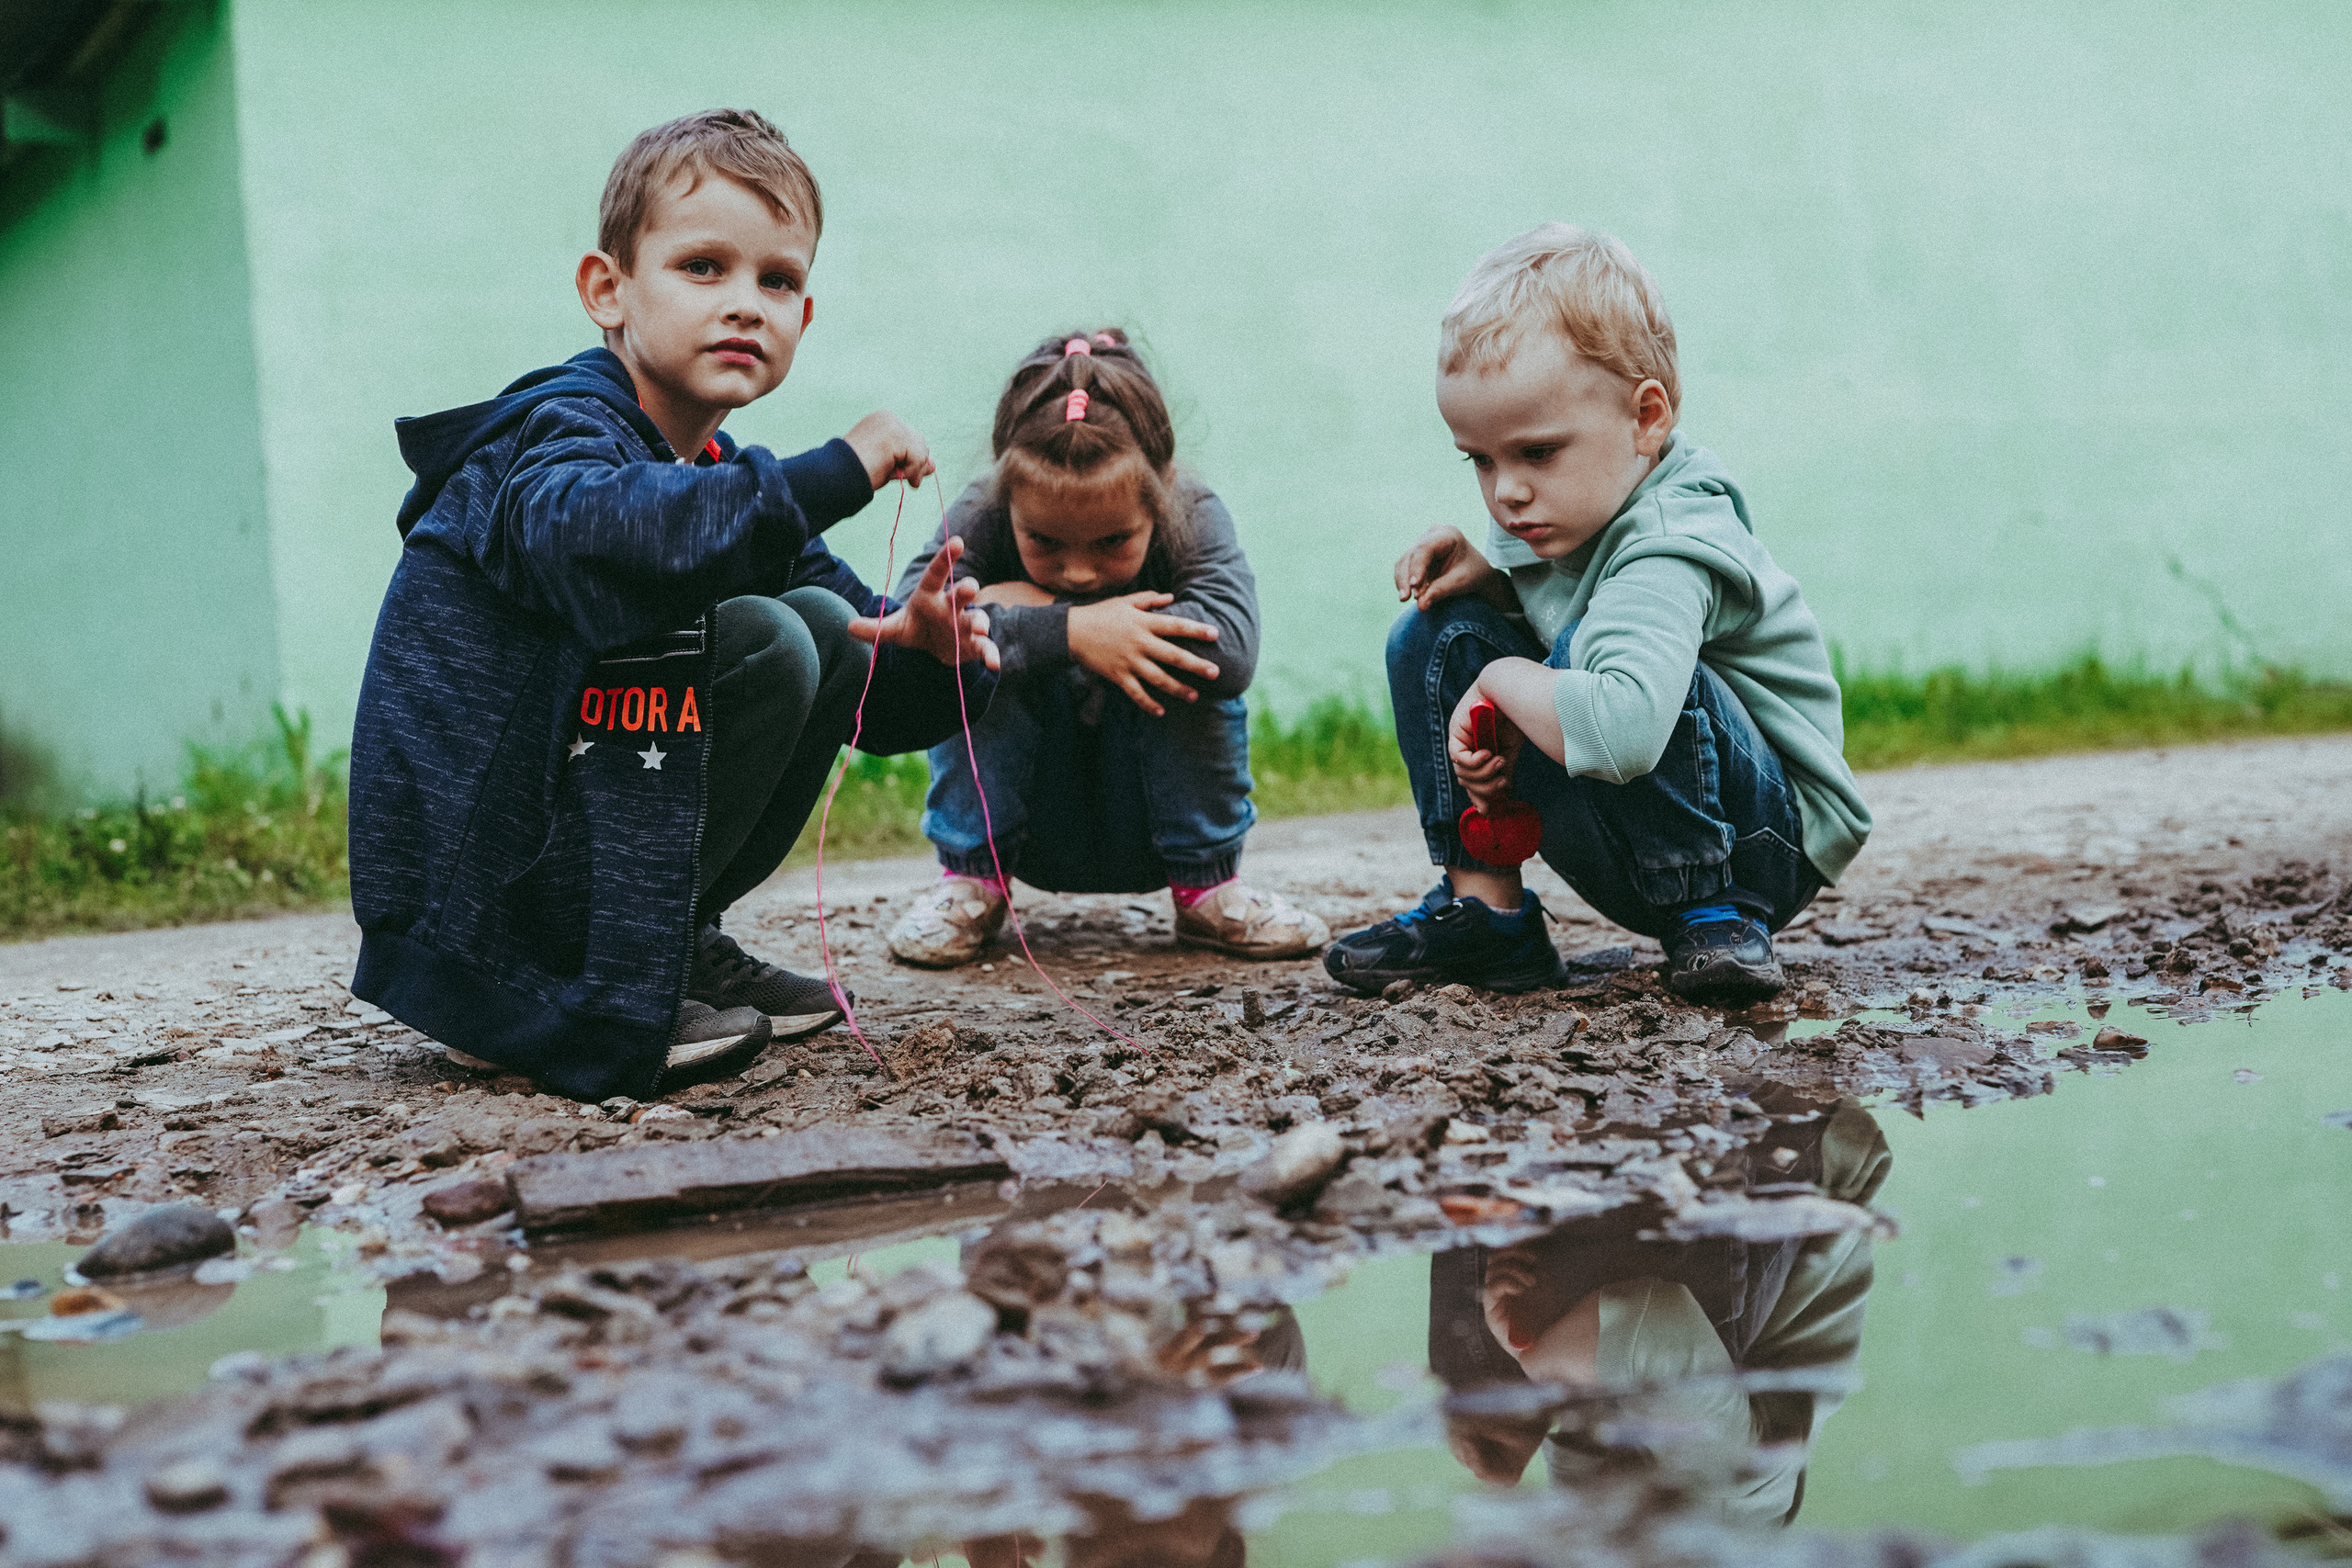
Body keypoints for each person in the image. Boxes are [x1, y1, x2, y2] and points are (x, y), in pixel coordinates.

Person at [347, 109, 997, 1102]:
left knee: (825, 627)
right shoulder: (562, 431)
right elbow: (608, 533)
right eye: (703, 267)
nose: (745, 303)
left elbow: (871, 695)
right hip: (483, 887)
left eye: (776, 280)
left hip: (563, 851)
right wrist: (831, 470)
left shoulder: (718, 477)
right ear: (608, 291)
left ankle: (669, 946)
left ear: (805, 317)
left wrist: (926, 650)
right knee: (769, 637)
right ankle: (559, 986)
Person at [1325, 225, 1871, 1000]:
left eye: (1537, 452)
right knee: (1434, 634)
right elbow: (1558, 624)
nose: (1506, 489)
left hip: (1760, 845)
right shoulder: (1567, 509)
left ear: (1646, 419)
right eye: (1480, 459)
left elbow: (1620, 728)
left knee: (1604, 653)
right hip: (1635, 839)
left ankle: (1718, 919)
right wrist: (1492, 590)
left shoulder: (1668, 540)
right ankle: (1489, 915)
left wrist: (1506, 678)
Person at [881, 330, 1327, 968]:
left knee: (1189, 660)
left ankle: (1209, 893)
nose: (1081, 572)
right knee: (967, 654)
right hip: (1030, 825)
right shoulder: (981, 508)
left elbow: (1232, 648)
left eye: (1113, 541)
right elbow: (913, 628)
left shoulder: (1193, 508)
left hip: (1152, 825)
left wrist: (1025, 607)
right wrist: (1076, 632)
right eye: (1047, 544)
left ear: (1162, 490)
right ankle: (970, 886)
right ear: (1007, 497)